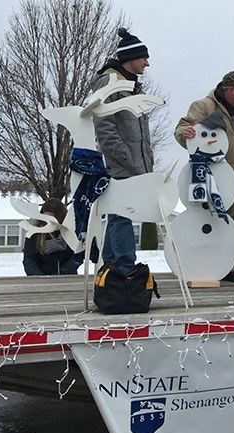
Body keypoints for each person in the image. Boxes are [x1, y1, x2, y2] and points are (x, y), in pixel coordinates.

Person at [174, 71, 234, 283]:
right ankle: (205, 265)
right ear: (230, 90)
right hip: (209, 176)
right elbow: (182, 128)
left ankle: (233, 267)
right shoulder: (203, 107)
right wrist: (185, 134)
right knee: (208, 220)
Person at [91, 28, 152, 277]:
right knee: (121, 212)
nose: (147, 63)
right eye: (143, 58)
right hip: (121, 164)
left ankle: (113, 265)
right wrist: (125, 157)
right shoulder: (110, 83)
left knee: (120, 212)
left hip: (133, 163)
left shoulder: (131, 86)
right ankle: (124, 267)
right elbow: (104, 127)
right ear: (130, 58)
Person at [23, 199, 81, 276]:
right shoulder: (35, 233)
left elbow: (77, 257)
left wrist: (62, 273)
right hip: (41, 281)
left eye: (52, 219)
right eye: (45, 218)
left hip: (68, 278)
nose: (48, 222)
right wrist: (38, 276)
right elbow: (29, 259)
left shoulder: (71, 232)